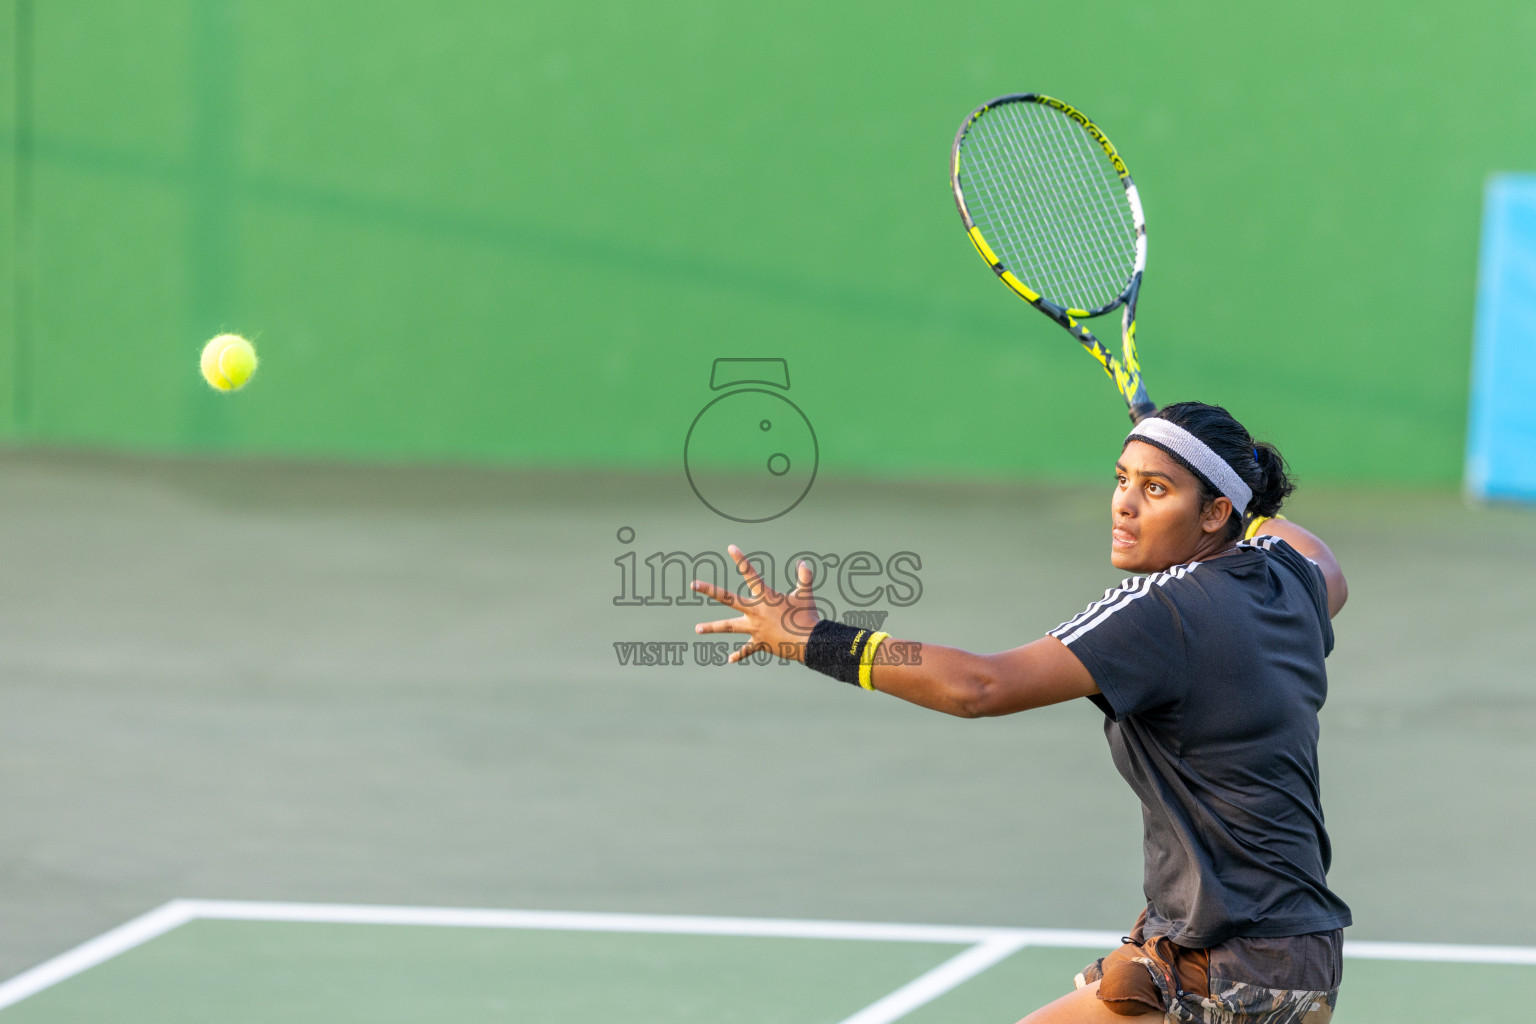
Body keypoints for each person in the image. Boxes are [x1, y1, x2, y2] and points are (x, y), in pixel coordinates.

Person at [691, 401, 1350, 1024]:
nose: (1123, 504)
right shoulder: (1291, 579)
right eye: (1123, 479)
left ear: (1213, 514)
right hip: (1295, 958)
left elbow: (982, 686)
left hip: (1229, 964)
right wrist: (1223, 490)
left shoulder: (1162, 611)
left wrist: (814, 640)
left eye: (1156, 490)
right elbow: (1324, 557)